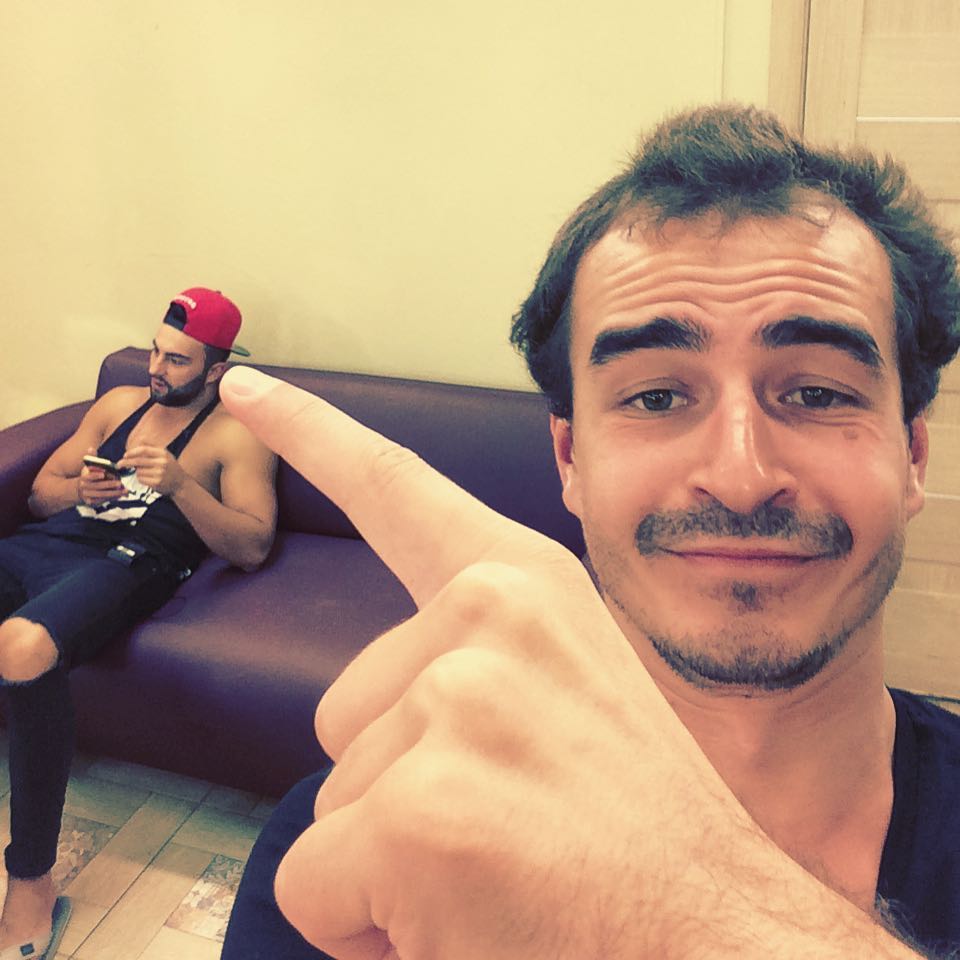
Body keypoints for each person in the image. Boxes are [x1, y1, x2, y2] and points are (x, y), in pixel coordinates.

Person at [219, 105, 960, 959]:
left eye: (819, 394)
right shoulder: (375, 844)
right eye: (656, 397)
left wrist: (694, 916)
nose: (741, 476)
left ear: (912, 456)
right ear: (569, 459)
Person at [0, 288, 277, 960]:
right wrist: (79, 491)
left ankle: (31, 880)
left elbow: (252, 545)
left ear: (216, 369)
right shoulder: (119, 404)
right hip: (50, 543)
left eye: (177, 360)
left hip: (132, 561)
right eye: (156, 351)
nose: (157, 368)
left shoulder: (235, 434)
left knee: (22, 645)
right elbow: (39, 493)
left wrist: (180, 485)